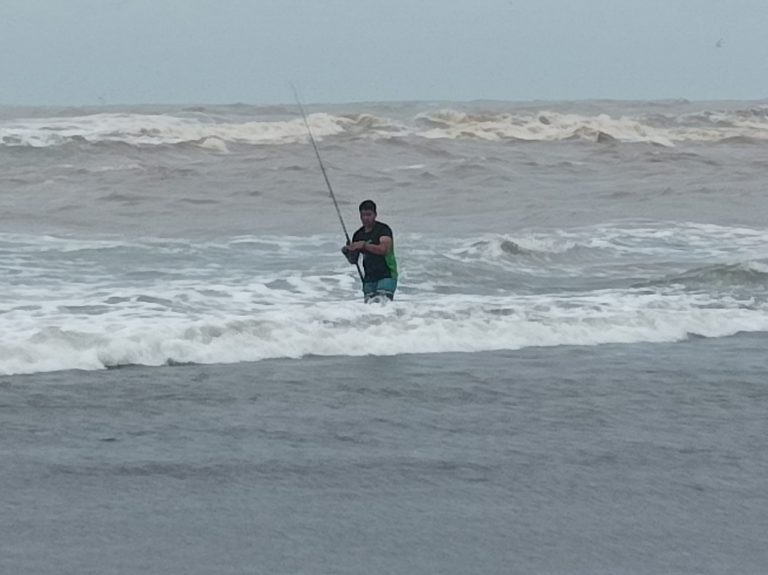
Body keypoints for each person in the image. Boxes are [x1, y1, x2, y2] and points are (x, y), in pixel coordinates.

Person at [341, 199, 398, 302]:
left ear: (375, 215)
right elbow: (354, 260)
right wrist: (348, 252)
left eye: (369, 215)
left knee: (383, 306)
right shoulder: (358, 234)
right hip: (369, 279)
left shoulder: (383, 230)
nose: (366, 218)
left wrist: (364, 245)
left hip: (386, 275)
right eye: (363, 215)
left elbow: (384, 250)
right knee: (370, 310)